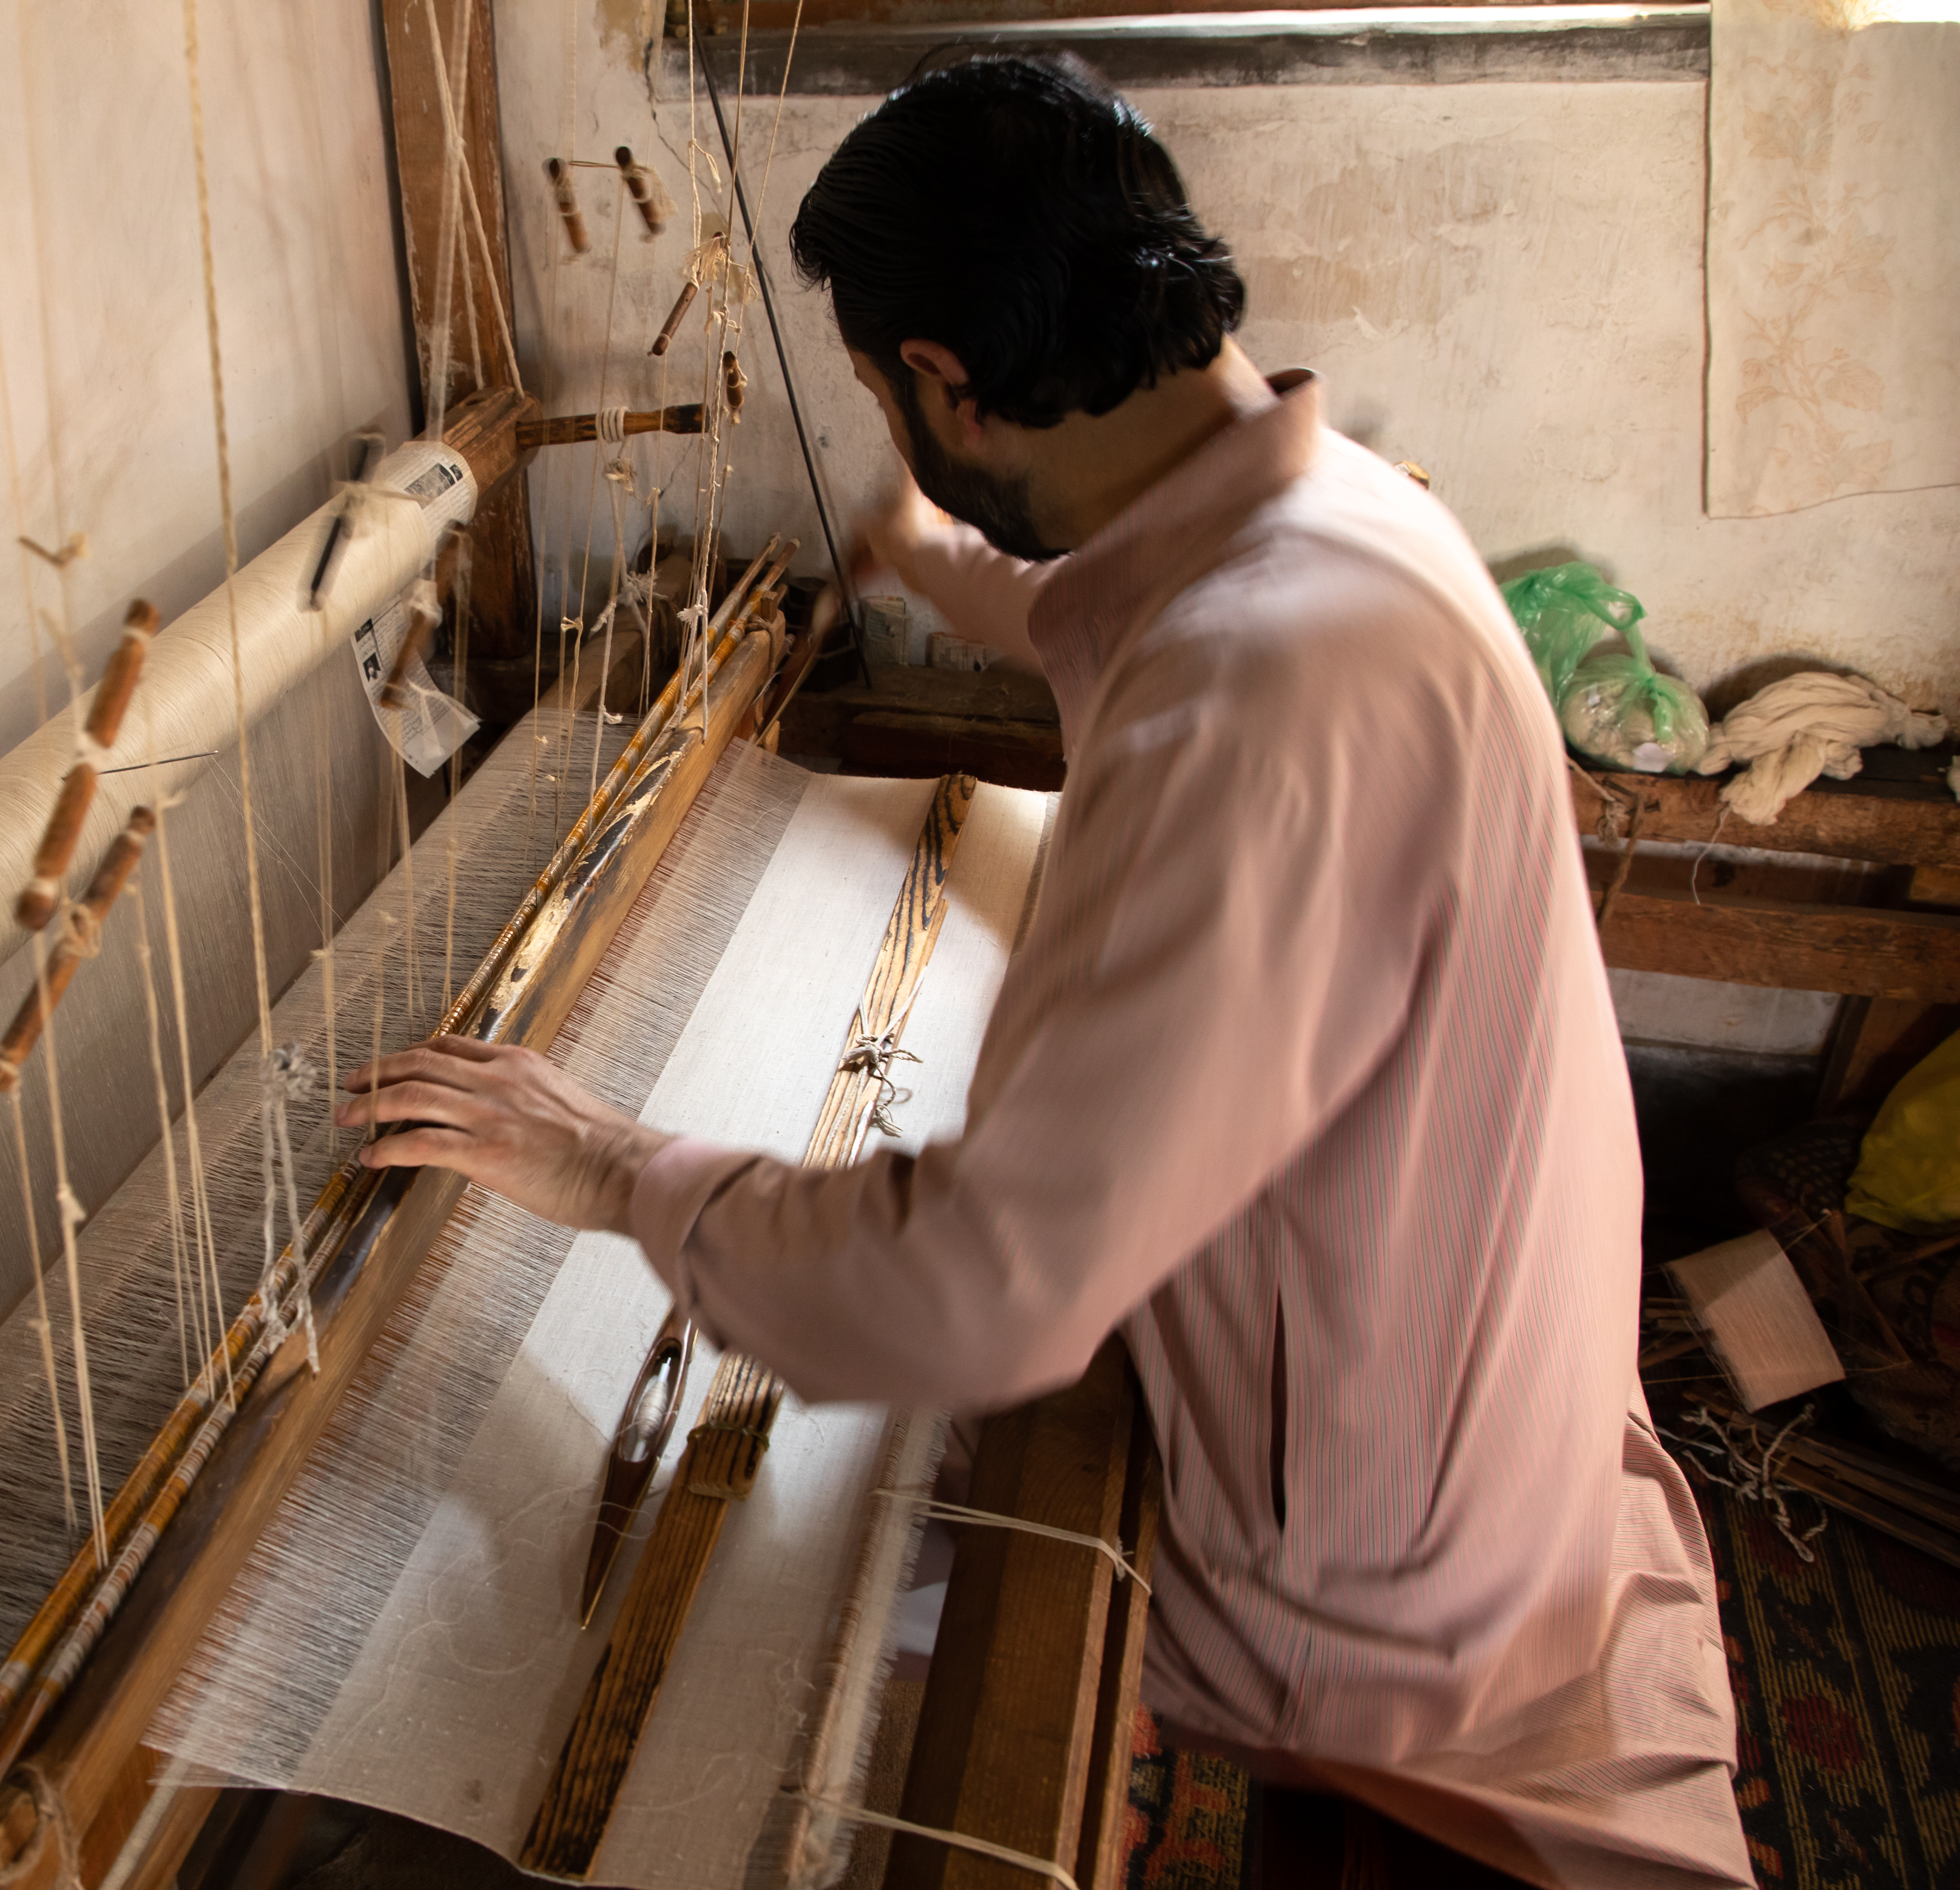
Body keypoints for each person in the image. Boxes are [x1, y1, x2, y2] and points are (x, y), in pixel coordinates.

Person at [337, 55, 1749, 1890]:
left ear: (945, 379)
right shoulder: (1354, 520)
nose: (895, 436)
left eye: (880, 398)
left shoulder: (1242, 699)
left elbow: (992, 1299)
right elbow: (1149, 603)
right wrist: (948, 563)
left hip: (1388, 1577)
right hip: (1508, 1415)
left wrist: (613, 1173)